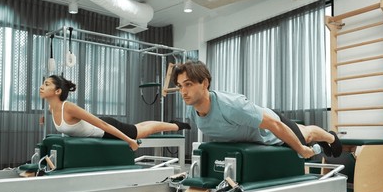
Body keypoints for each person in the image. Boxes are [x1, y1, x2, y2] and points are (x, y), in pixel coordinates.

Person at [171, 60, 342, 159]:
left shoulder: (231, 106)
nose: (183, 92)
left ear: (205, 83)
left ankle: (330, 137)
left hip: (272, 127)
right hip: (252, 137)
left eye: (188, 84)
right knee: (304, 133)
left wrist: (302, 150)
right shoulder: (191, 110)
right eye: (179, 86)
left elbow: (274, 124)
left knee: (306, 135)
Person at [39, 75, 190, 151]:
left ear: (57, 91)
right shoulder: (52, 108)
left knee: (144, 130)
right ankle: (172, 123)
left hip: (107, 129)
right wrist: (44, 119)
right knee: (140, 126)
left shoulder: (69, 107)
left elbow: (101, 124)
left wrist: (129, 141)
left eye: (46, 84)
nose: (41, 87)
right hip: (102, 129)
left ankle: (176, 126)